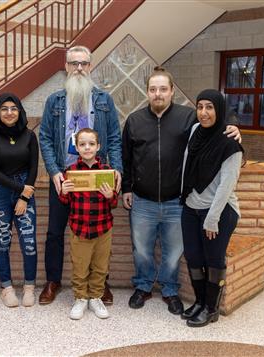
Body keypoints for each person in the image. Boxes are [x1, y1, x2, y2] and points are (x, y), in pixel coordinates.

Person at [121, 67, 240, 316]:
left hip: (178, 202)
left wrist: (236, 130)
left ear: (172, 91)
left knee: (174, 251)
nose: (158, 94)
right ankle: (143, 287)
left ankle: (169, 290)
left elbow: (215, 130)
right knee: (141, 249)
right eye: (153, 89)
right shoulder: (134, 120)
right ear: (147, 93)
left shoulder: (190, 118)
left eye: (163, 89)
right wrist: (126, 188)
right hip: (143, 200)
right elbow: (126, 158)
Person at [39, 45, 122, 305]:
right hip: (66, 178)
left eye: (83, 63)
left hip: (97, 176)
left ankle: (100, 284)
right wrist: (54, 172)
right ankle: (53, 280)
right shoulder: (55, 100)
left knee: (98, 231)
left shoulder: (103, 100)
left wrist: (117, 170)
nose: (78, 68)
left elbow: (115, 139)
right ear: (66, 67)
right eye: (73, 63)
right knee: (55, 232)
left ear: (90, 66)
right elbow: (45, 138)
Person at [180, 89, 244, 327]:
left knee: (213, 259)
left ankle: (211, 309)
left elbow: (227, 185)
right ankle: (199, 302)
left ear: (220, 110)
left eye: (210, 107)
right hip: (190, 207)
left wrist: (212, 219)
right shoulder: (196, 131)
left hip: (218, 212)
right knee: (194, 257)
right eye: (200, 107)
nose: (204, 113)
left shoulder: (230, 143)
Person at [0, 93, 39, 308]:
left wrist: (24, 195)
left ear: (20, 111)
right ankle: (6, 288)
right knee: (3, 242)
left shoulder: (29, 136)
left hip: (25, 190)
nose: (9, 112)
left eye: (13, 108)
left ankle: (29, 287)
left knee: (29, 242)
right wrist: (20, 189)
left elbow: (33, 167)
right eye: (4, 109)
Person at [59, 128, 117, 320]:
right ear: (76, 147)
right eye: (82, 144)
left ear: (98, 146)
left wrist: (111, 195)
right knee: (80, 266)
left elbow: (114, 202)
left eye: (91, 144)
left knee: (101, 266)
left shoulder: (107, 171)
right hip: (79, 228)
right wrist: (64, 192)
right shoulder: (71, 172)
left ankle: (95, 297)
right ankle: (80, 298)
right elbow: (65, 202)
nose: (87, 147)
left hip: (103, 227)